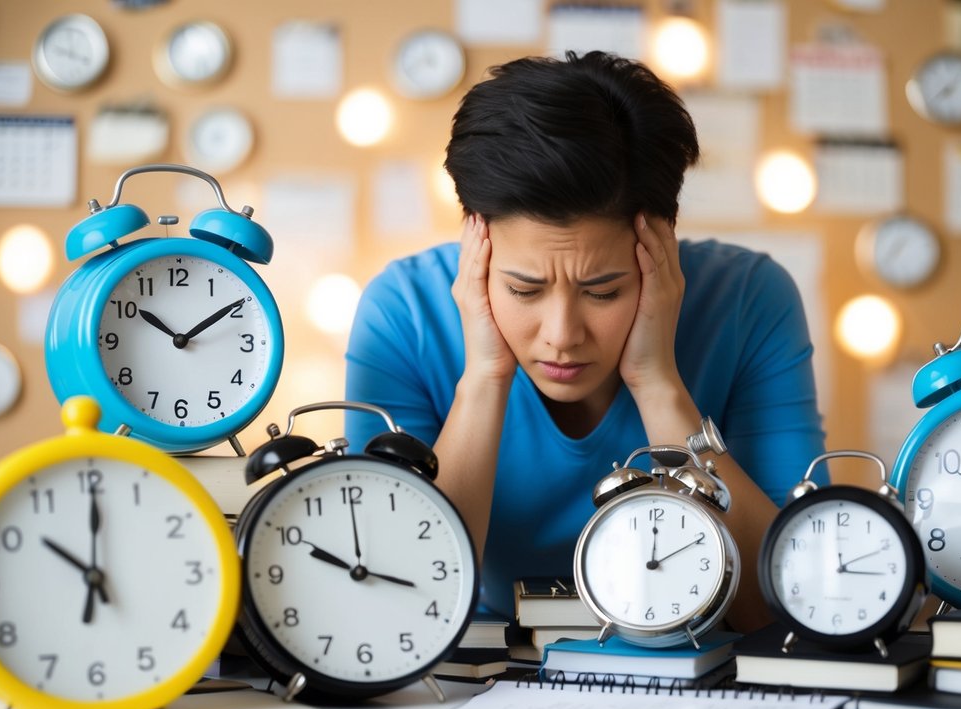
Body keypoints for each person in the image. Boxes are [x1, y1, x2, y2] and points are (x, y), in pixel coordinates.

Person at [345, 51, 825, 631]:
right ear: (477, 237)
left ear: (661, 241)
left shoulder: (751, 299)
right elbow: (391, 601)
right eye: (524, 289)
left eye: (604, 291)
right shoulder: (403, 312)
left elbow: (789, 601)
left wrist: (658, 386)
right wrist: (484, 379)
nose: (562, 336)